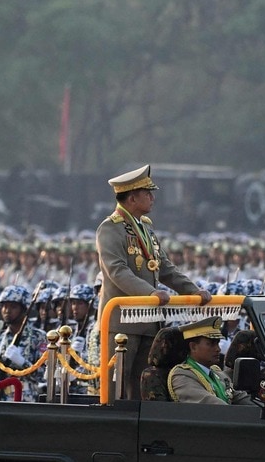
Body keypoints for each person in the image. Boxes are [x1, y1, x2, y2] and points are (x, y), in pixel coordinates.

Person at [95, 165, 210, 399]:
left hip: (149, 321)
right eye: (148, 194)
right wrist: (150, 292)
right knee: (116, 385)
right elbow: (117, 270)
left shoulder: (145, 227)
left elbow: (164, 267)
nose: (152, 198)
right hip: (122, 323)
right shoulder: (110, 229)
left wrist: (194, 290)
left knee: (142, 385)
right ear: (132, 197)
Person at [166, 317, 256, 405]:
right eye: (211, 344)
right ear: (193, 347)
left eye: (217, 343)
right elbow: (213, 406)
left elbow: (241, 397)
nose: (218, 349)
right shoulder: (182, 376)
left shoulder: (218, 373)